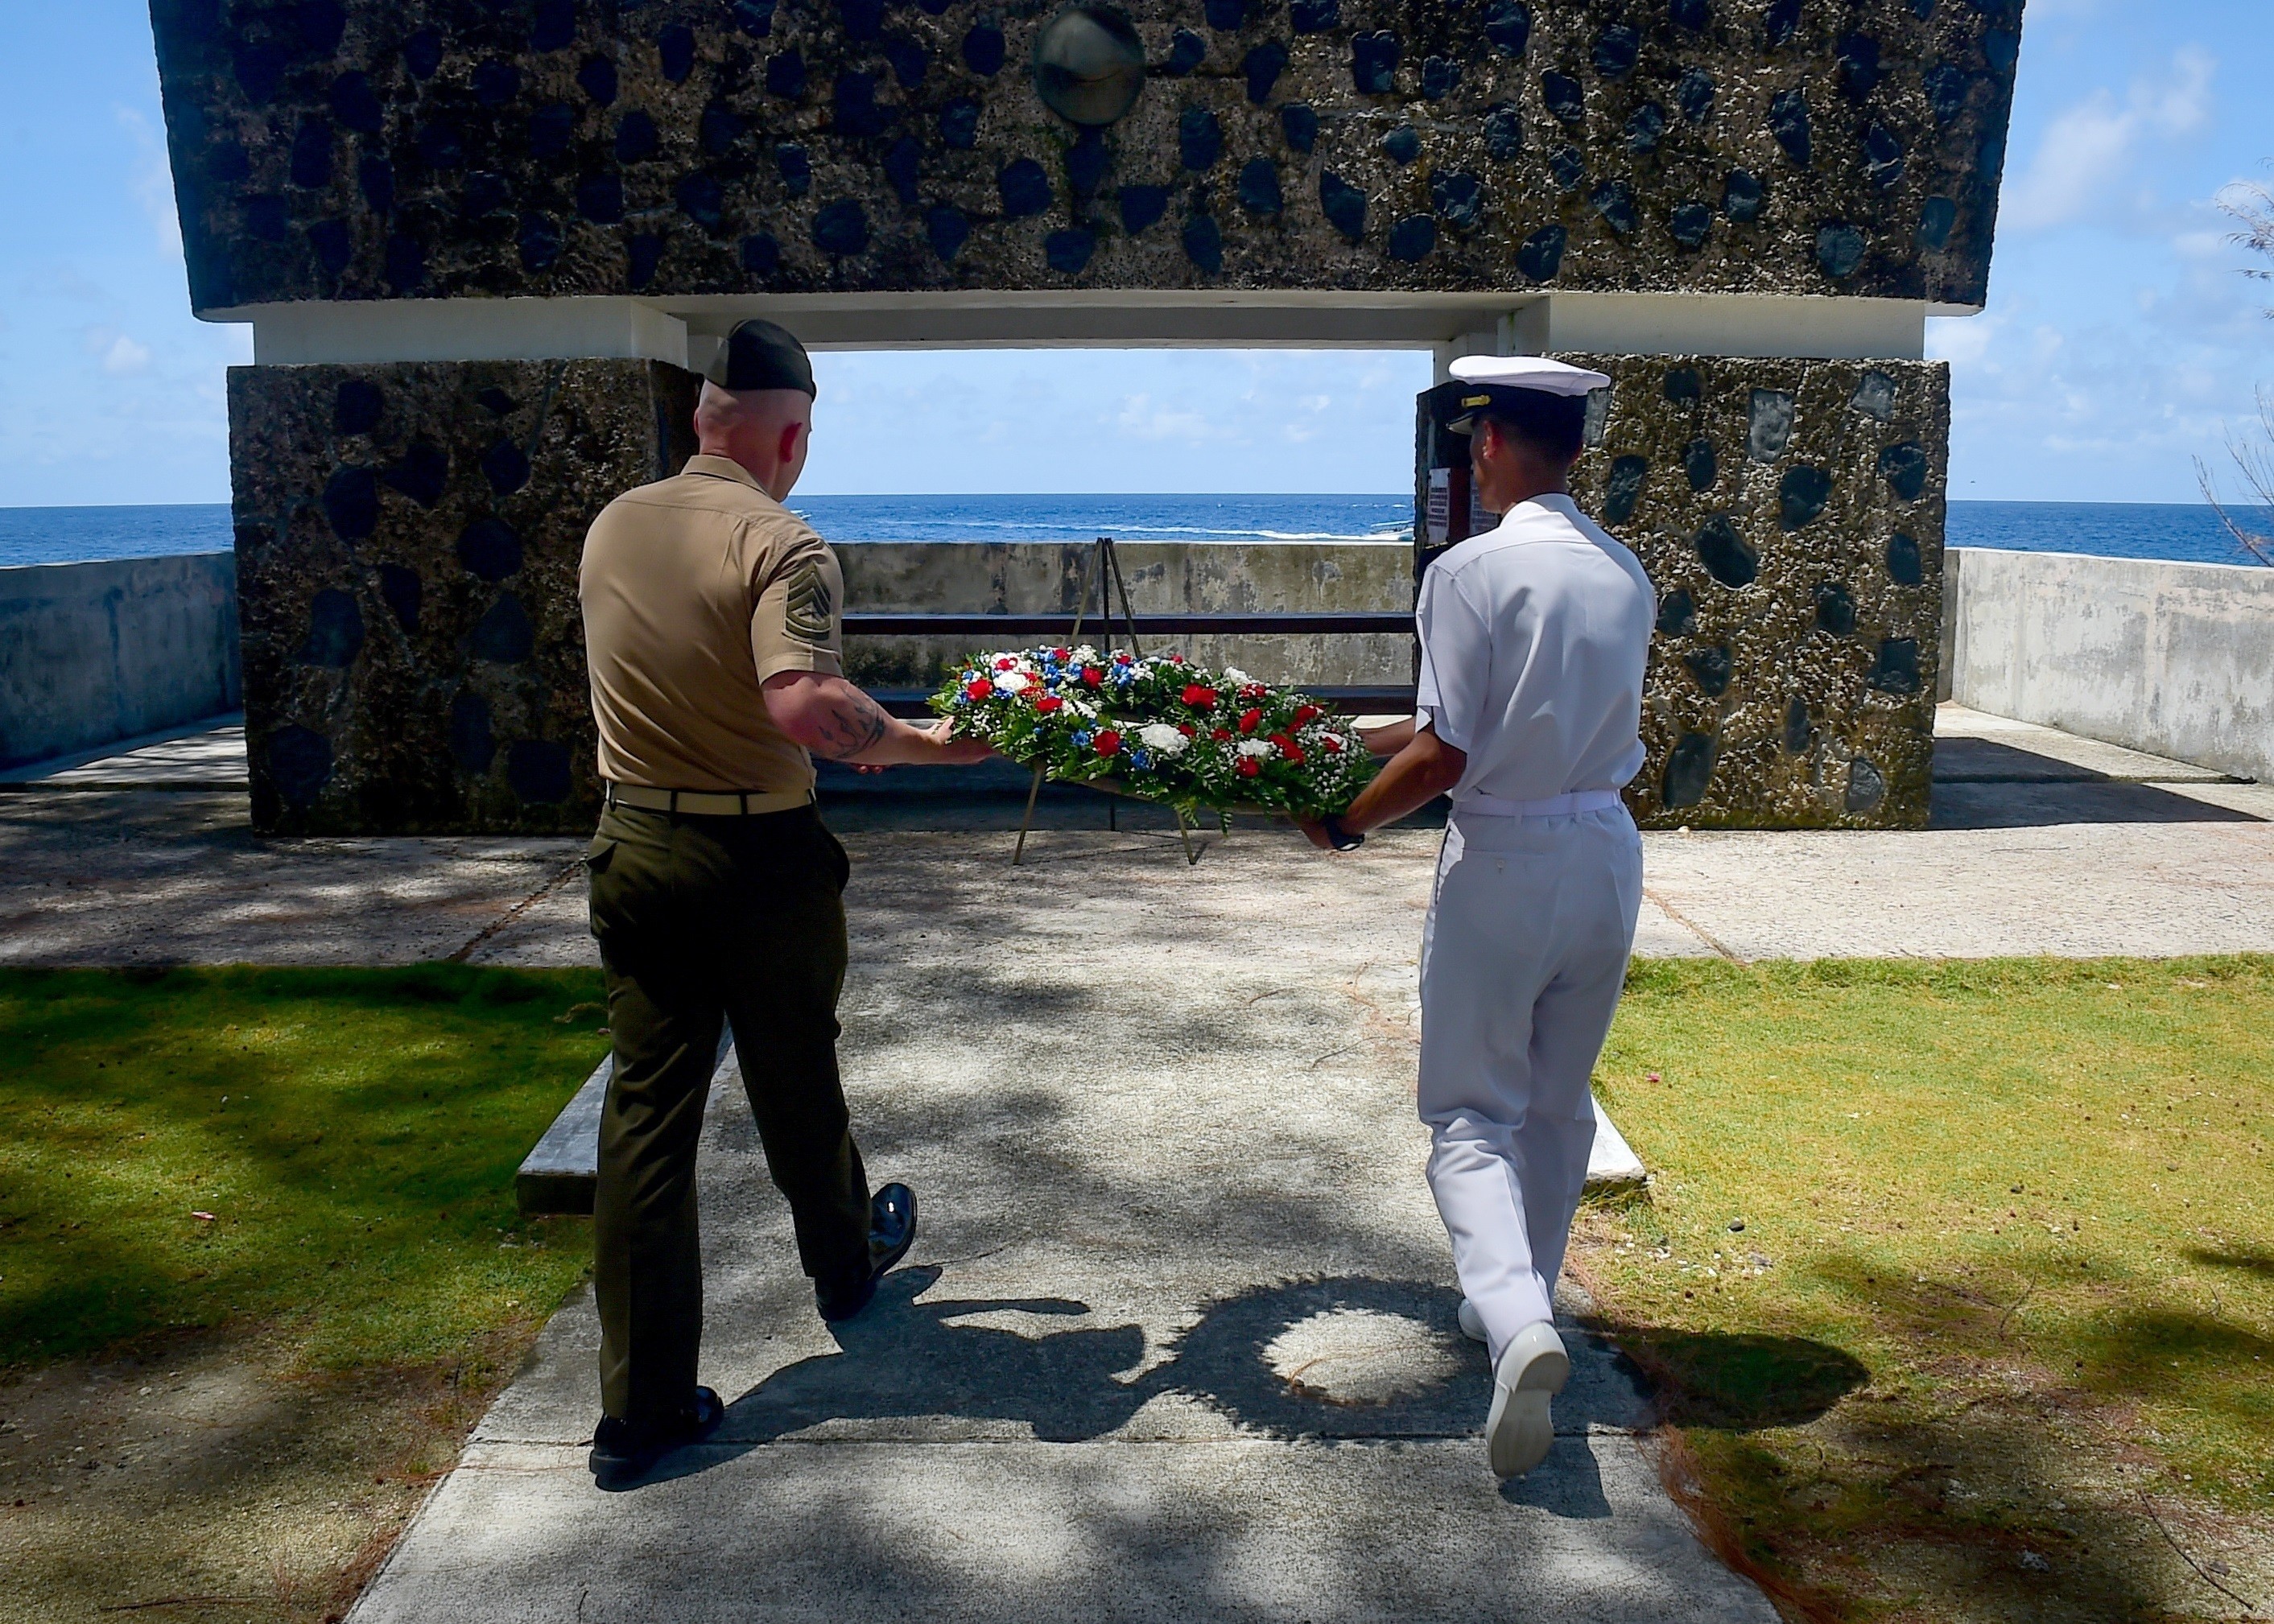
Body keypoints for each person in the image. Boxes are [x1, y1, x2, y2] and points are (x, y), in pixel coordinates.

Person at [576, 319, 993, 1487]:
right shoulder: (784, 543)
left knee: (647, 1111)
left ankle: (639, 1412)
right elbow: (803, 700)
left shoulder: (613, 522)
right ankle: (844, 1262)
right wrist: (926, 743)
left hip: (636, 843)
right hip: (756, 854)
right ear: (792, 433)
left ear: (704, 415)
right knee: (794, 1073)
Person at [1298, 355, 1655, 1480]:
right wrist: (1332, 739)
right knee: (1554, 1106)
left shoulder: (1466, 570)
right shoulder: (1623, 569)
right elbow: (1475, 715)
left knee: (1466, 1112)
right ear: (1575, 452)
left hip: (1503, 850)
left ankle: (1513, 1323)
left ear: (1490, 440)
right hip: (1603, 847)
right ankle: (1522, 1296)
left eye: (1473, 439)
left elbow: (1449, 746)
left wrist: (1345, 822)